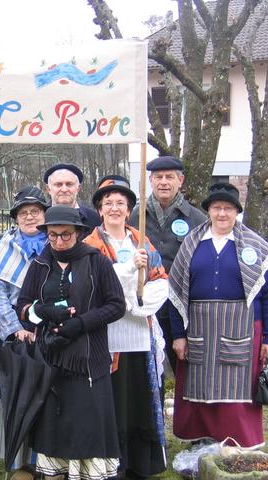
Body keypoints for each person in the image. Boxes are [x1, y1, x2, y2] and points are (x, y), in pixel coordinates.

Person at [16, 205, 126, 480]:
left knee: (87, 427)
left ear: (78, 233)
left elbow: (116, 306)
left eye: (65, 235)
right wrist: (43, 311)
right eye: (52, 236)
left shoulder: (96, 262)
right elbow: (22, 307)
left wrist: (82, 323)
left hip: (88, 360)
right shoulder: (40, 264)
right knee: (55, 430)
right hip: (51, 359)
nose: (58, 241)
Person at [168, 183, 268, 449]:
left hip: (241, 327)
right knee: (198, 384)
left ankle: (237, 441)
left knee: (237, 389)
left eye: (228, 209)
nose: (221, 214)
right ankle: (200, 439)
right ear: (208, 211)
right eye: (216, 208)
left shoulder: (254, 247)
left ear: (236, 212)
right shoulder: (192, 244)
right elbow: (175, 294)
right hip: (198, 327)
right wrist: (178, 335)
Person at [84, 176, 169, 479]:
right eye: (108, 203)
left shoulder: (141, 240)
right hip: (107, 336)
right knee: (113, 399)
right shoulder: (90, 246)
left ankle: (140, 462)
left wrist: (139, 305)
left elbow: (160, 278)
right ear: (100, 209)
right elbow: (94, 284)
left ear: (130, 209)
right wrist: (128, 273)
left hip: (138, 331)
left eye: (121, 203)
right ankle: (111, 462)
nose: (115, 208)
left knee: (138, 397)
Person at [0, 186, 50, 480]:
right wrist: (15, 330)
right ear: (16, 217)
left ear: (44, 214)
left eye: (35, 211)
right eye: (24, 212)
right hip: (15, 335)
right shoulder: (6, 246)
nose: (30, 216)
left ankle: (46, 460)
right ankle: (18, 463)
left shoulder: (56, 242)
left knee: (47, 397)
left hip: (50, 332)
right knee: (16, 396)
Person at [128, 156, 206, 373]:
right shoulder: (135, 216)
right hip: (145, 305)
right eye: (158, 177)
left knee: (186, 367)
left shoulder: (197, 220)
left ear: (180, 181)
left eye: (169, 177)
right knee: (146, 370)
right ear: (151, 181)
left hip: (180, 306)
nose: (164, 182)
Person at [43, 163, 101, 234]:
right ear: (48, 189)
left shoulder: (94, 219)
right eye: (58, 184)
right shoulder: (39, 218)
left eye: (69, 184)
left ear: (78, 188)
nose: (64, 189)